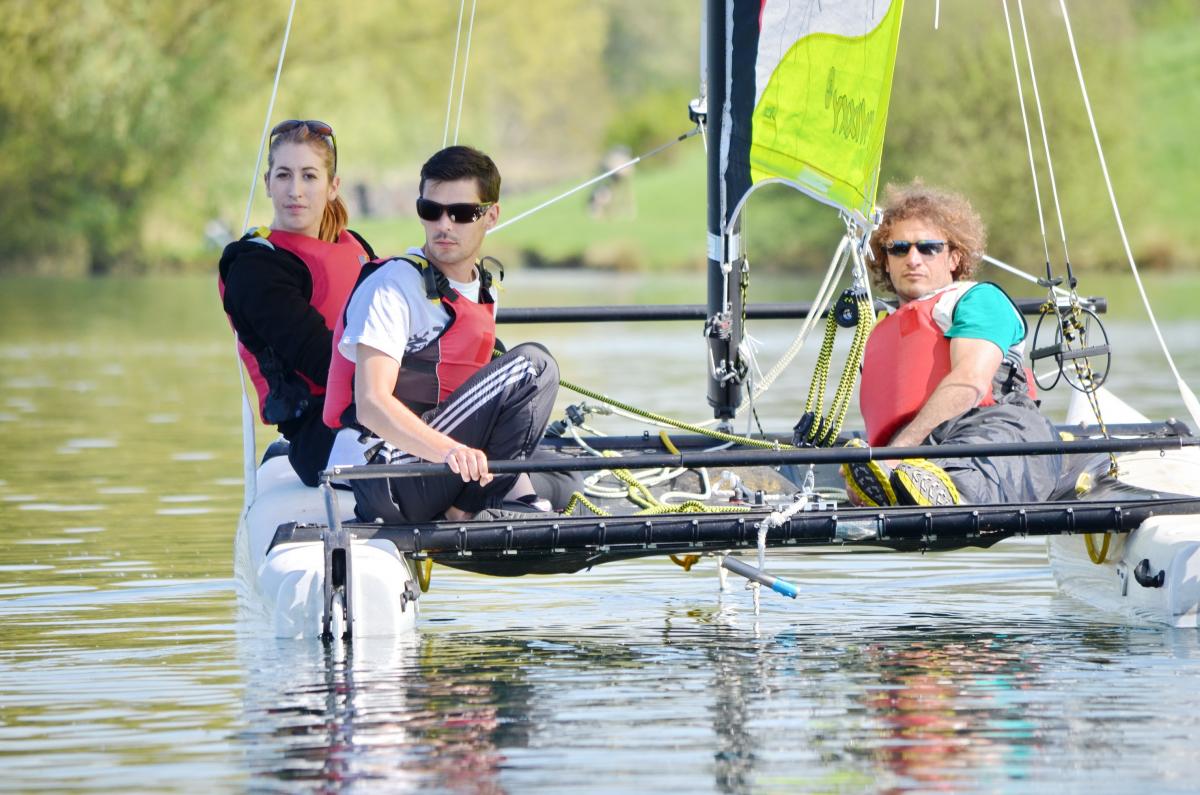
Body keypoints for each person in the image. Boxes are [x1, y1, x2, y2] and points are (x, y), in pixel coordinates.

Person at [324, 146, 560, 523]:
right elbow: (370, 403)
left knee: (564, 475)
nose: (444, 225)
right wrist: (450, 452)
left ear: (491, 216)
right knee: (534, 366)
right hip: (385, 473)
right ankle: (464, 511)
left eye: (461, 213)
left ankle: (481, 502)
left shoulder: (483, 287)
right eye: (431, 210)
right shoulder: (393, 287)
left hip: (438, 463)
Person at [842, 181, 1063, 507]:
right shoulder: (877, 330)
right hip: (912, 451)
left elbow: (969, 382)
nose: (913, 259)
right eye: (899, 249)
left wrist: (895, 454)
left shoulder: (977, 300)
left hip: (996, 429)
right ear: (885, 261)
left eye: (928, 248)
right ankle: (901, 489)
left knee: (974, 460)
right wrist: (883, 459)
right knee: (868, 462)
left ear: (954, 259)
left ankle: (945, 495)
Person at [219, 119, 374, 487]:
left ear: (332, 186)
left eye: (309, 176)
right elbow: (322, 360)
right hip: (324, 436)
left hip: (386, 406)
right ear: (267, 183)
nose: (295, 191)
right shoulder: (255, 268)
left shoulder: (355, 246)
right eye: (284, 176)